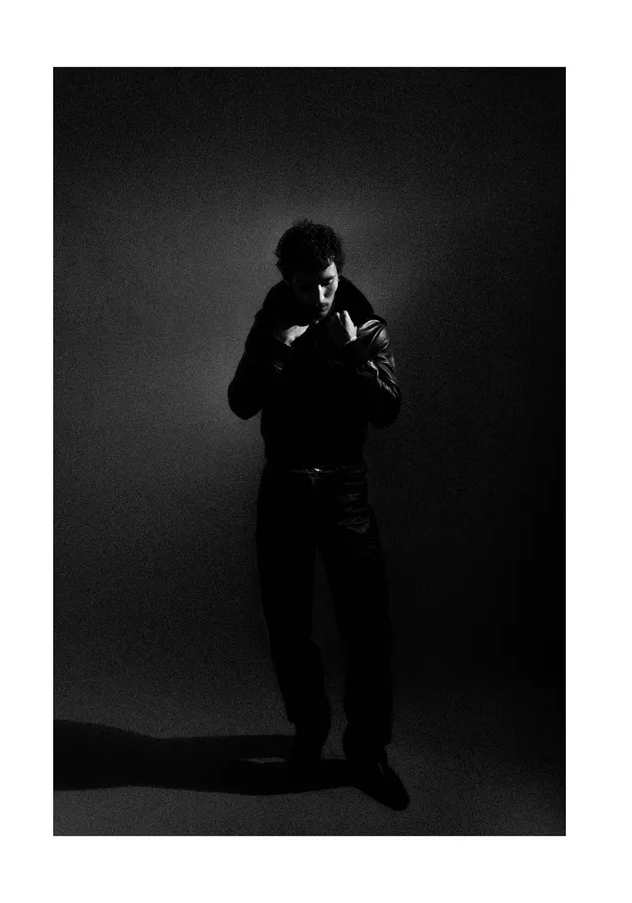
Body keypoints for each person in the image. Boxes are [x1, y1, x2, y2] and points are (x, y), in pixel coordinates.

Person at [228, 220, 408, 809]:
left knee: (368, 626)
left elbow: (387, 410)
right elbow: (240, 402)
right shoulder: (271, 323)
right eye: (306, 286)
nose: (320, 296)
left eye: (327, 282)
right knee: (287, 623)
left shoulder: (365, 323)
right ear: (289, 281)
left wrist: (355, 352)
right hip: (283, 489)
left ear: (338, 270)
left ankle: (367, 750)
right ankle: (309, 730)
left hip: (343, 491)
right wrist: (278, 348)